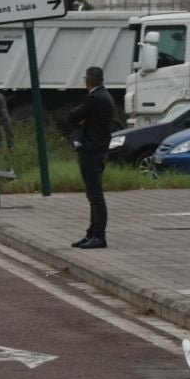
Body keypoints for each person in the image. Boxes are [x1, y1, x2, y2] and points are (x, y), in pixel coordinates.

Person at [66, 65, 116, 250]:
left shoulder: (94, 98)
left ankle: (99, 236)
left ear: (88, 80)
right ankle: (92, 233)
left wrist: (82, 119)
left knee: (95, 195)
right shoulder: (105, 96)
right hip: (99, 149)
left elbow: (73, 116)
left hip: (92, 151)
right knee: (93, 195)